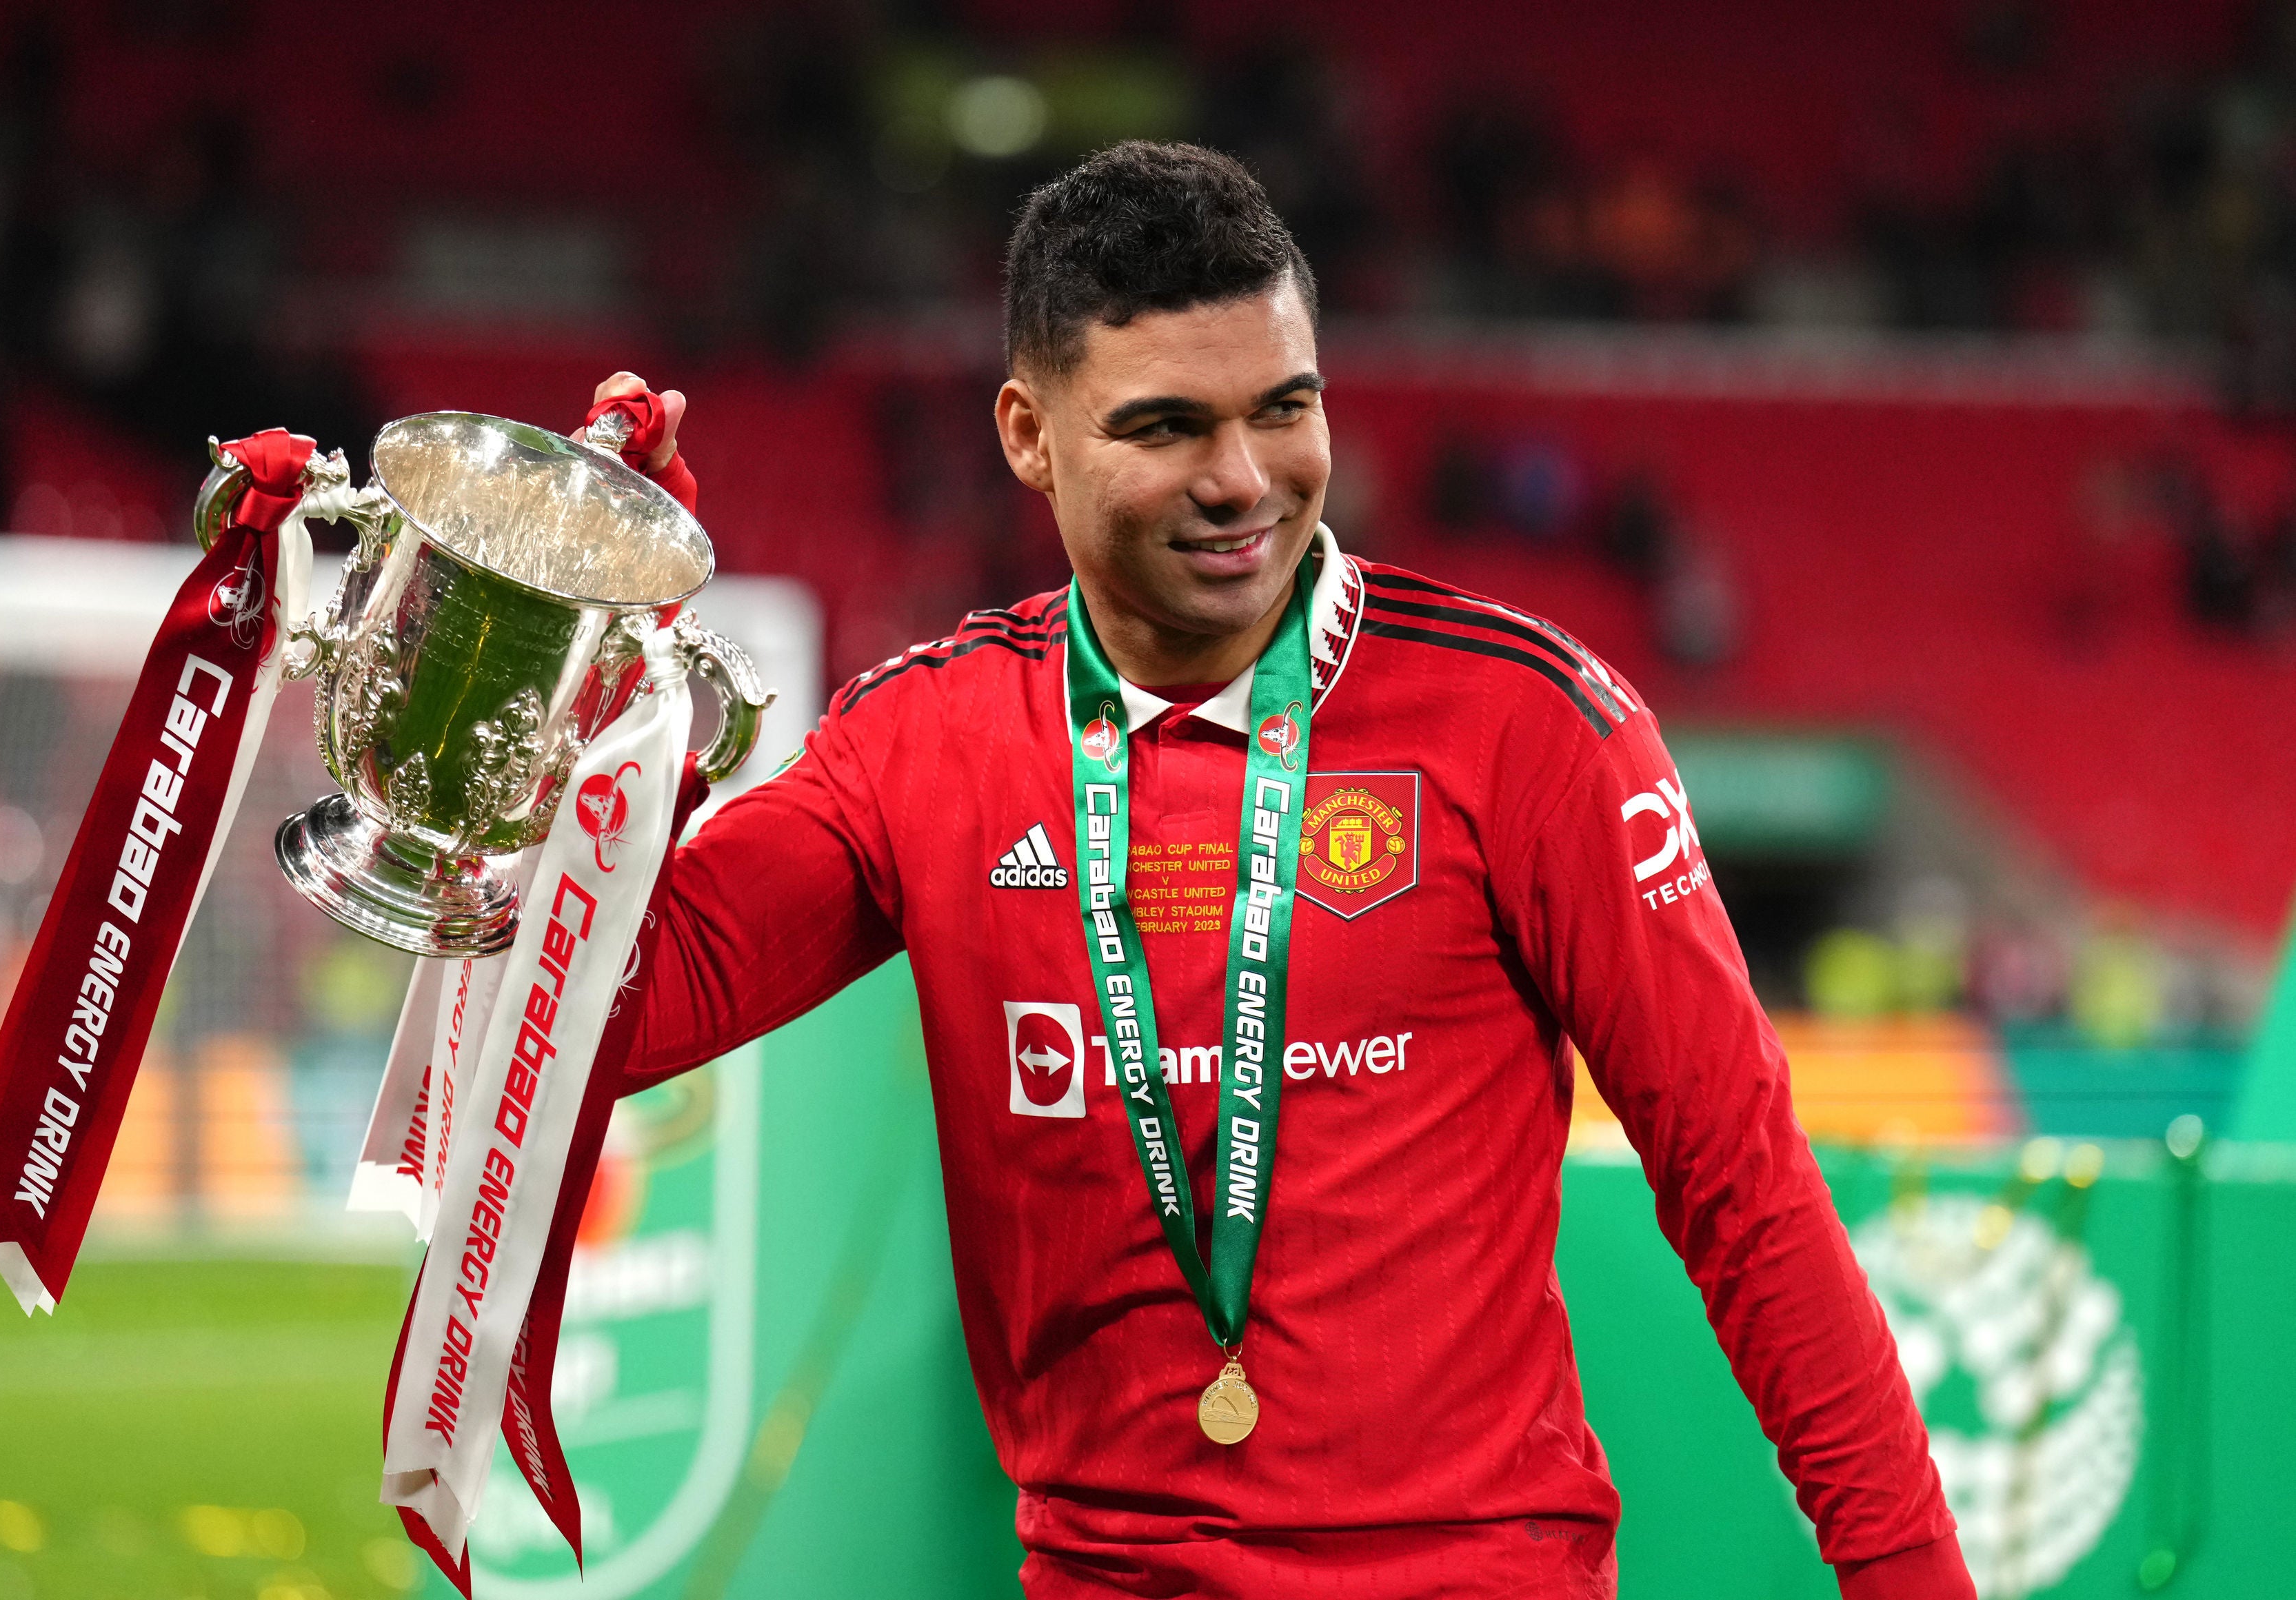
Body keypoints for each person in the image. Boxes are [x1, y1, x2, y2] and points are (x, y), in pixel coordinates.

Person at [589, 142, 1971, 1599]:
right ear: (1025, 432)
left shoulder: (1530, 725)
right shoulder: (923, 738)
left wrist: (1911, 1584)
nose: (1241, 482)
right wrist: (535, 662)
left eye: (1283, 409)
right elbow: (596, 1021)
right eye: (1168, 425)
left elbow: (1743, 1188)